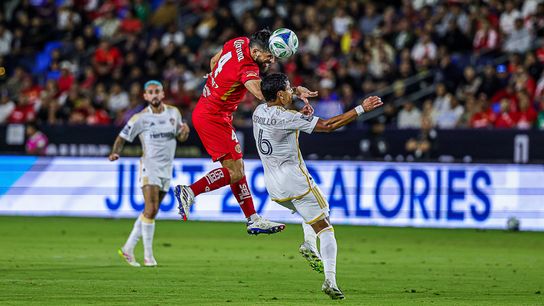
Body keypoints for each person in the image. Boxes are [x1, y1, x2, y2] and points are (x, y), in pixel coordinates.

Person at [174, 29, 317, 235]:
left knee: (237, 168)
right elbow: (262, 94)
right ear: (257, 52)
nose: (271, 61)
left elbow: (215, 61)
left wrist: (218, 81)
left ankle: (253, 219)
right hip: (213, 117)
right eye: (269, 56)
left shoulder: (238, 41)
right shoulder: (248, 68)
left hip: (208, 110)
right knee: (235, 171)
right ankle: (189, 192)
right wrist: (293, 91)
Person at [253, 73, 382, 299]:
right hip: (296, 183)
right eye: (289, 89)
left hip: (274, 188)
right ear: (280, 95)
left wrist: (299, 113)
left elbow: (283, 120)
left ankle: (308, 245)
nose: (292, 92)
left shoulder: (258, 112)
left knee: (310, 213)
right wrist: (360, 109)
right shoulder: (287, 118)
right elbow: (328, 125)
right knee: (326, 226)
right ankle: (330, 280)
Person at [109, 80, 190, 267]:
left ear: (162, 94)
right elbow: (122, 137)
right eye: (150, 92)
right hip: (149, 166)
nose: (154, 95)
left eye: (157, 91)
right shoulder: (140, 118)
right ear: (145, 96)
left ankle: (128, 249)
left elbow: (181, 137)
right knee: (151, 209)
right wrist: (115, 152)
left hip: (166, 169)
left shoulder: (173, 113)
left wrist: (184, 133)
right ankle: (148, 256)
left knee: (150, 211)